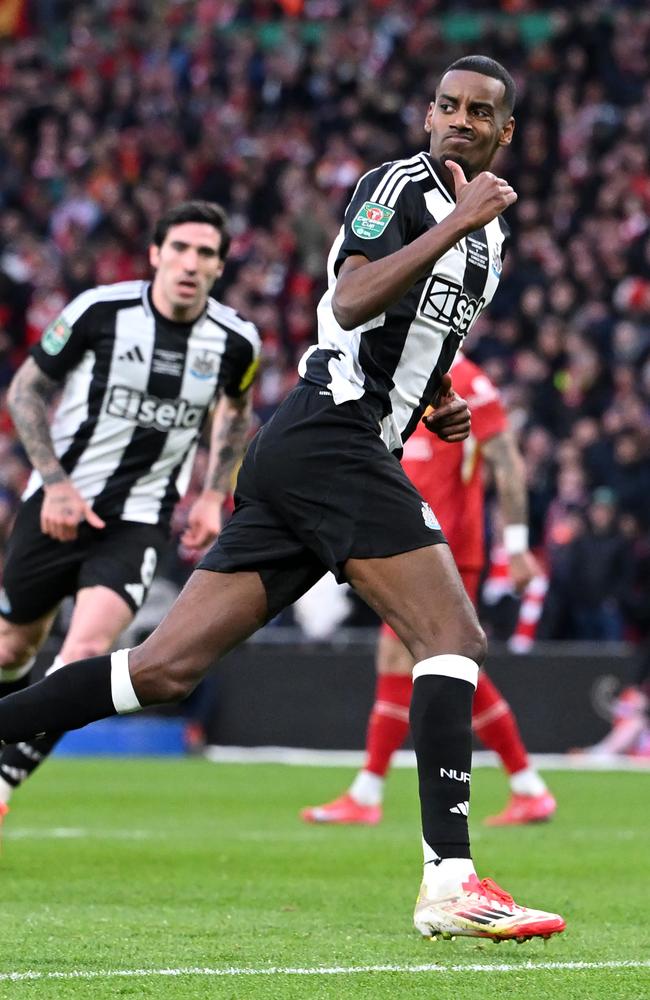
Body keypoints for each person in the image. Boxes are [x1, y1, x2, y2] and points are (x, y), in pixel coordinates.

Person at [0, 56, 565, 941]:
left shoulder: (489, 236)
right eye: (446, 105)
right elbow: (349, 301)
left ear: (506, 132)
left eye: (478, 112)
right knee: (450, 633)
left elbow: (413, 335)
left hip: (320, 450)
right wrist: (455, 223)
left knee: (162, 670)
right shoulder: (405, 190)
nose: (458, 120)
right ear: (426, 114)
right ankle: (450, 880)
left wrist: (438, 395)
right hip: (327, 439)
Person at [0, 200, 260, 820]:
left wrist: (210, 494)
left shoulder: (234, 341)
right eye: (180, 249)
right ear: (155, 254)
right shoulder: (99, 311)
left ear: (220, 267)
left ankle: (4, 783)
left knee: (87, 647)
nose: (190, 264)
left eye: (205, 254)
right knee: (12, 648)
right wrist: (56, 483)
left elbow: (235, 410)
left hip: (138, 521)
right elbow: (26, 389)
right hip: (58, 506)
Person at [301, 353, 556, 827]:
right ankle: (527, 786)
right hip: (403, 541)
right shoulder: (397, 374)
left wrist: (518, 545)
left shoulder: (471, 382)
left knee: (413, 657)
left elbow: (507, 462)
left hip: (449, 548)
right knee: (440, 660)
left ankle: (368, 792)